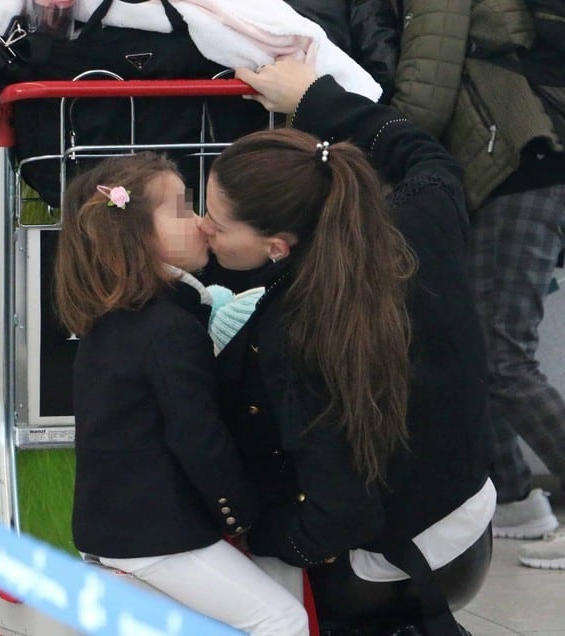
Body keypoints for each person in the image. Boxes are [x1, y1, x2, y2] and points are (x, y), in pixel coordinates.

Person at [198, 58, 495, 635]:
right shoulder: (421, 216)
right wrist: (316, 97)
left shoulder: (293, 331)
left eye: (216, 221)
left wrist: (263, 537)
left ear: (279, 246)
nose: (204, 229)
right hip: (468, 516)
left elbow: (341, 516)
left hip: (383, 571)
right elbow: (428, 156)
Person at [51, 151, 309, 636]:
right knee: (281, 619)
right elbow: (198, 435)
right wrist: (240, 512)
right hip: (158, 535)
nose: (201, 223)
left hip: (114, 529)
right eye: (182, 210)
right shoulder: (168, 328)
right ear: (135, 236)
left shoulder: (111, 321)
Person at [390, 0, 565, 544]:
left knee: (500, 355)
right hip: (509, 163)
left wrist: (371, 148)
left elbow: (427, 92)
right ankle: (513, 498)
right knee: (473, 346)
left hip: (522, 161)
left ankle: (515, 496)